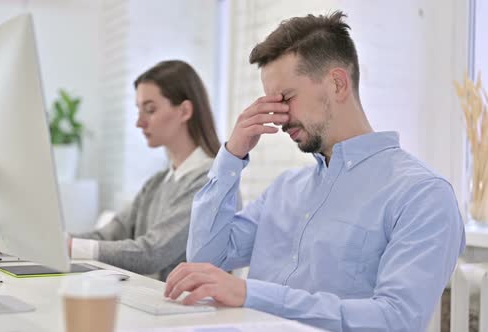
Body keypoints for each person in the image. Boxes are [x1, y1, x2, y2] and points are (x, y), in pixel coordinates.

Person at [164, 11, 465, 331]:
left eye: (287, 98)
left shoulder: (422, 194)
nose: (279, 117)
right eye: (271, 102)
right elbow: (206, 258)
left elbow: (395, 320)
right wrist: (232, 155)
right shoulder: (285, 189)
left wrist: (251, 294)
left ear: (337, 84)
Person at [69, 60, 221, 281]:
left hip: (188, 311)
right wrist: (56, 241)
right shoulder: (157, 183)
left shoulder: (211, 182)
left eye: (150, 110)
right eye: (139, 110)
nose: (139, 122)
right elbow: (109, 235)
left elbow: (152, 253)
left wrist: (71, 247)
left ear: (185, 111)